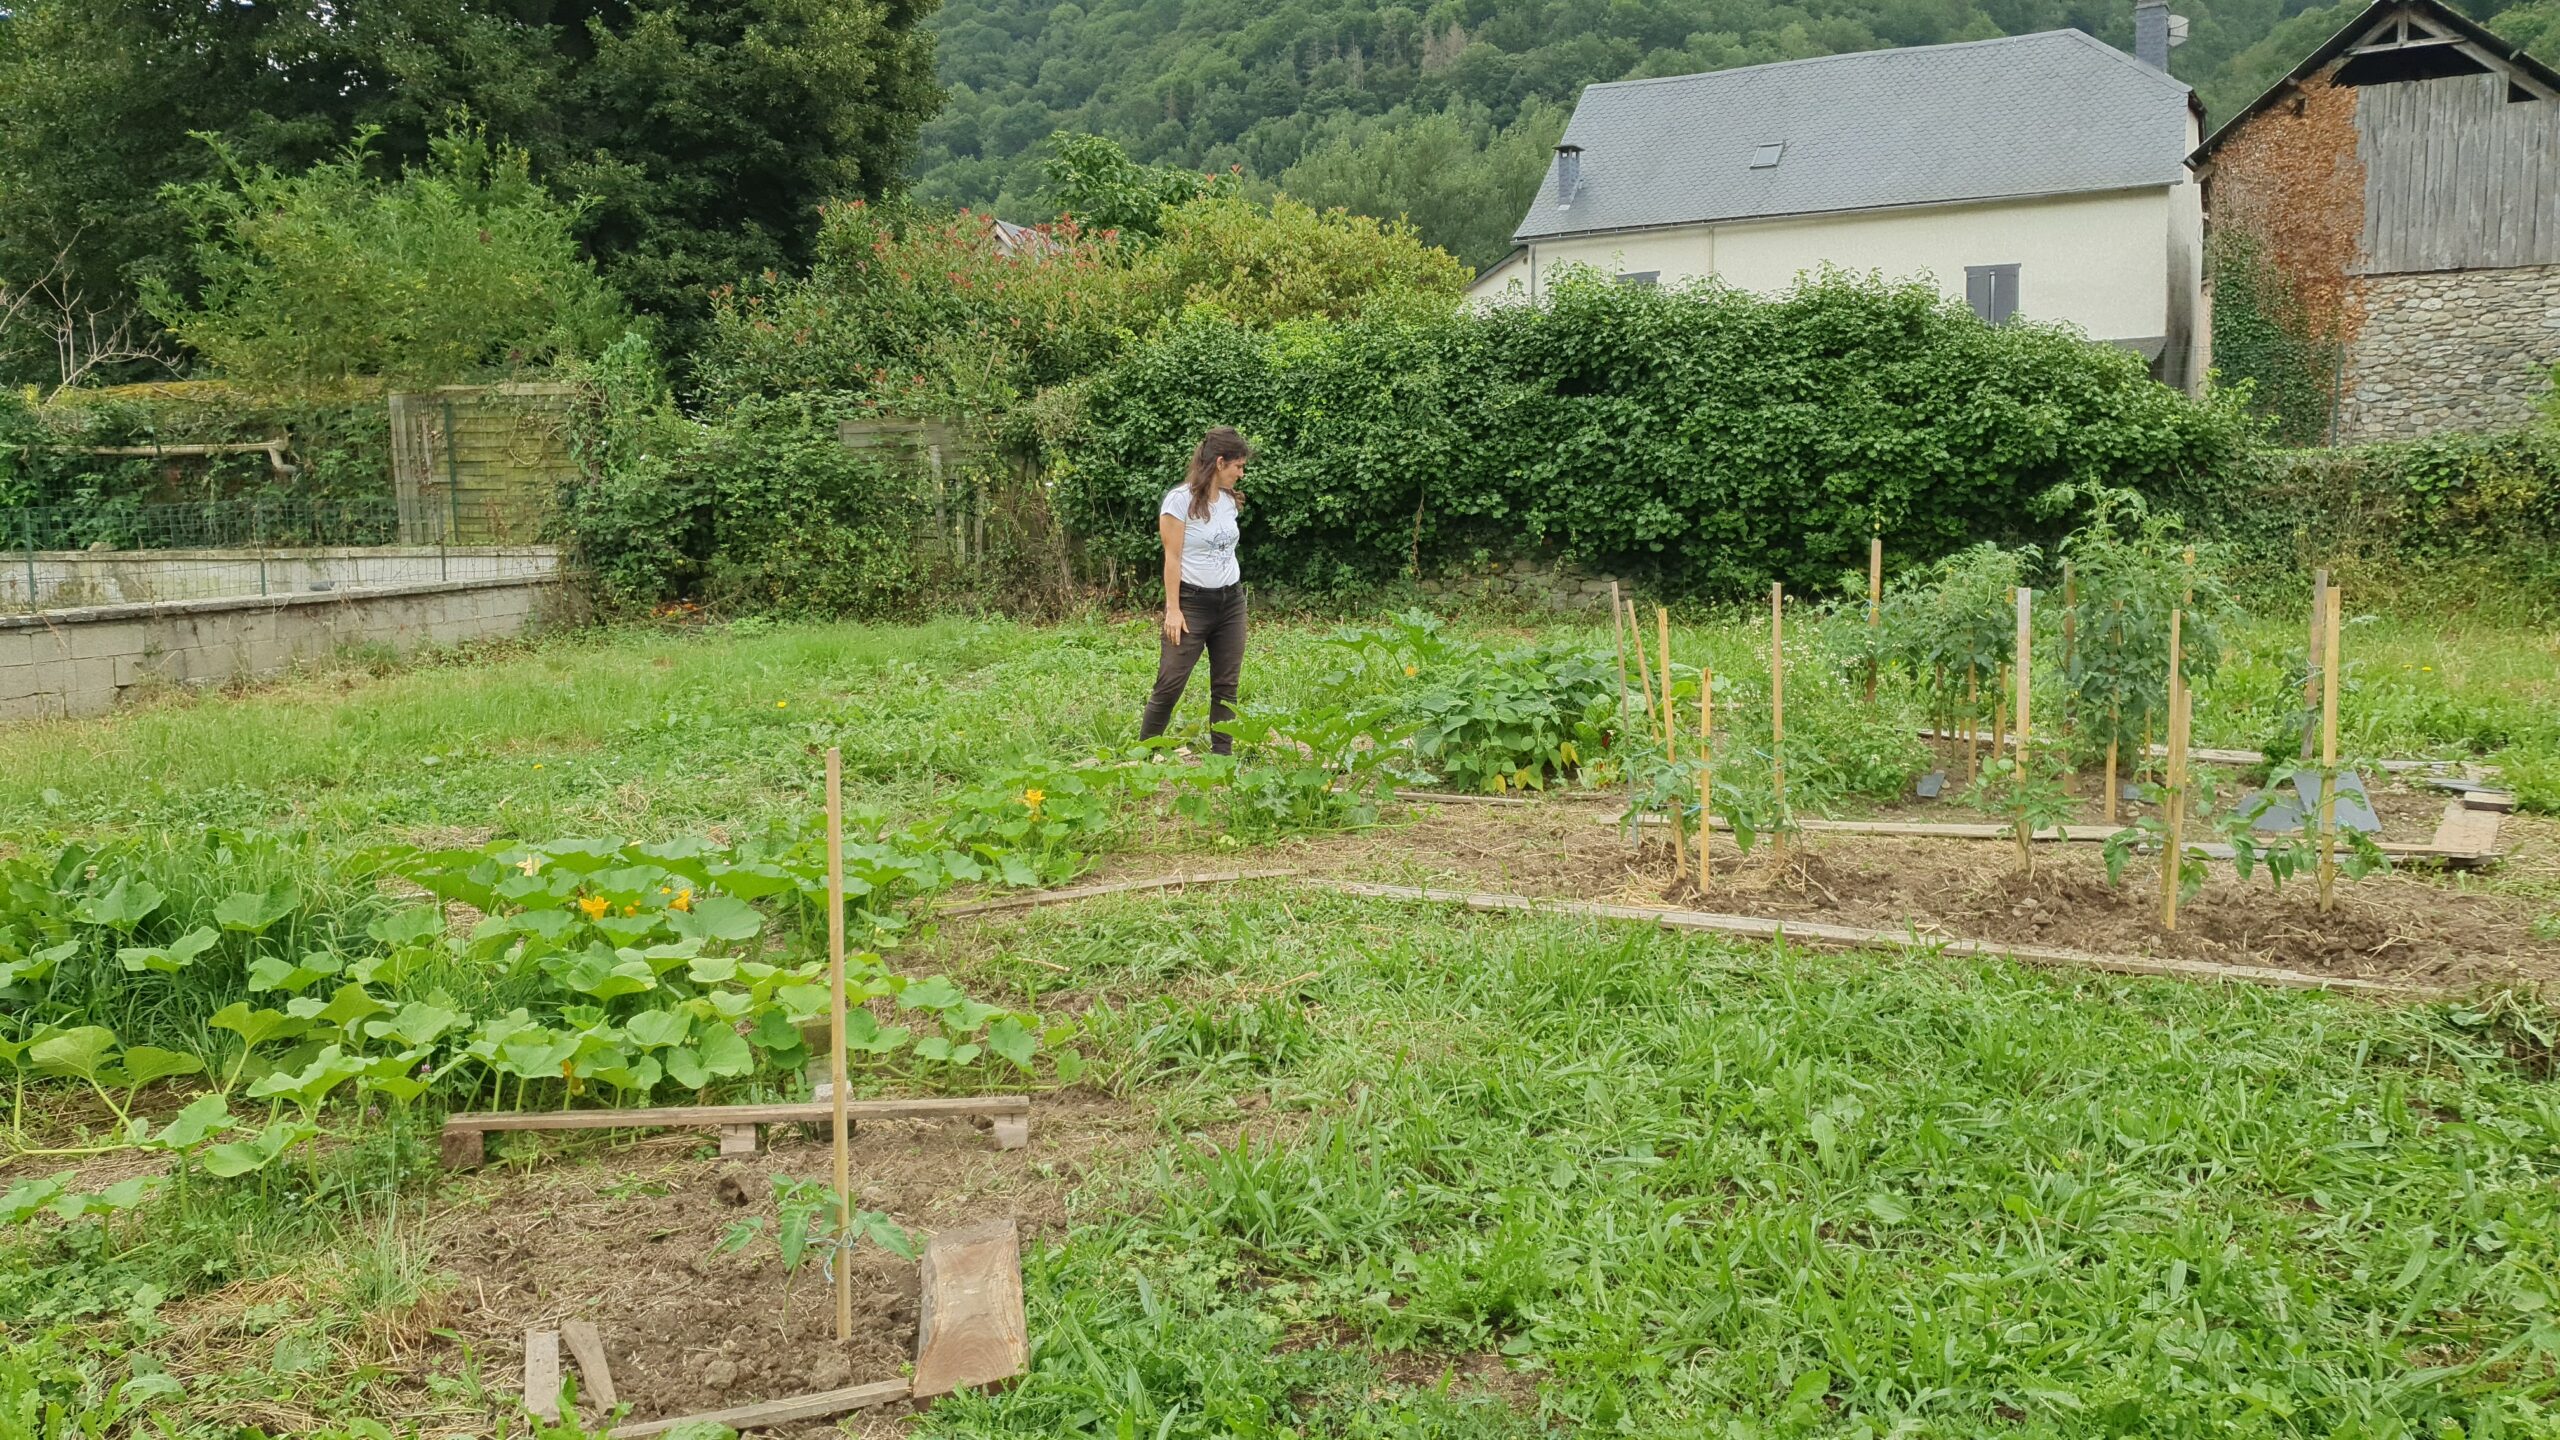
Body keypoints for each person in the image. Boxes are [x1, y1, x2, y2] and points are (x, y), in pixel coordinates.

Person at [1139, 426, 1251, 756]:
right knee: (1170, 683)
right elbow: (1172, 558)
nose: (1241, 474)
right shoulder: (1179, 501)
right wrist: (1173, 610)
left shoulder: (1228, 501)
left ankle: (1222, 758)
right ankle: (1145, 754)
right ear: (1220, 462)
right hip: (1192, 604)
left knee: (1226, 685)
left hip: (1231, 602)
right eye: (1238, 466)